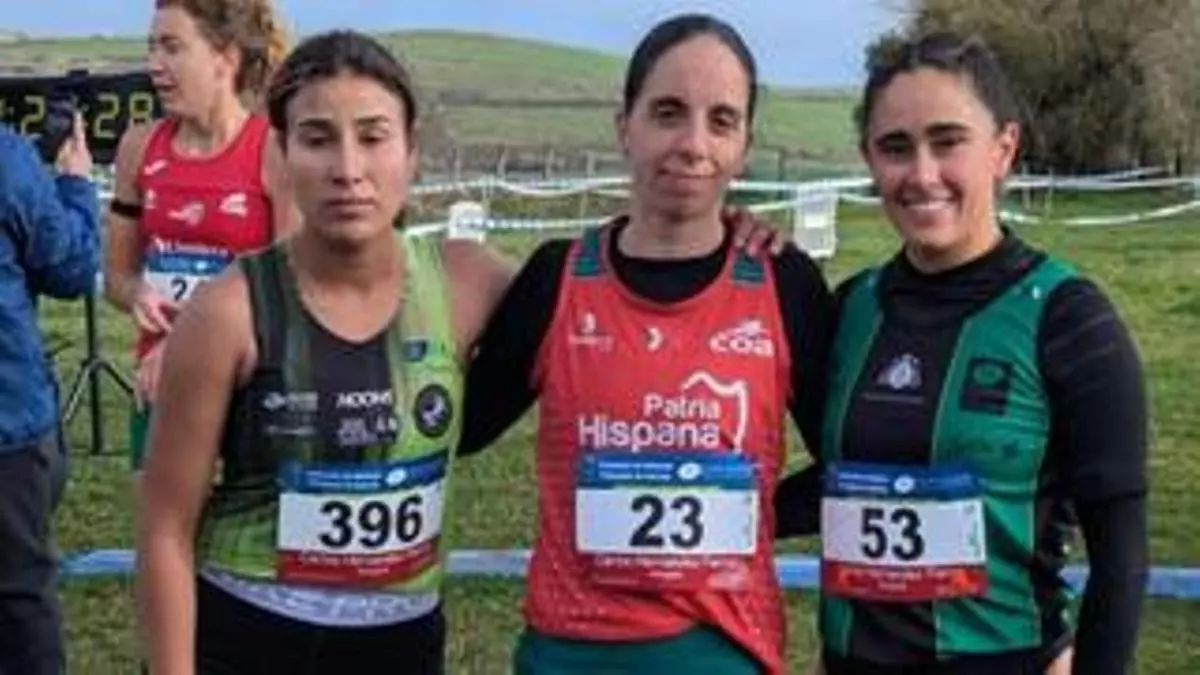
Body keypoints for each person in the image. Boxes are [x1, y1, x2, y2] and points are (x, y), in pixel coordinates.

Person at [456, 13, 834, 675]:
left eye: (721, 120)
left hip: (723, 653)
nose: (693, 143)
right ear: (623, 126)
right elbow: (454, 431)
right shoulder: (557, 278)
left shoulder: (784, 282)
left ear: (744, 144)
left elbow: (853, 458)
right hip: (569, 654)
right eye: (667, 113)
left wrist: (746, 513)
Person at [135, 30, 516, 675]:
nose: (348, 169)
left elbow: (607, 293)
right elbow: (165, 529)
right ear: (282, 154)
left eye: (372, 137)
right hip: (248, 635)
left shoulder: (469, 281)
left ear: (410, 150)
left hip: (401, 642)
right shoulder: (228, 311)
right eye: (317, 139)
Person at [774, 31, 1148, 675]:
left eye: (947, 142)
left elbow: (1122, 562)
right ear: (869, 159)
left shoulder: (1067, 318)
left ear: (1003, 149)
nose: (923, 175)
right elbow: (843, 483)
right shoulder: (852, 309)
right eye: (896, 148)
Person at [103, 0, 295, 478]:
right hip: (160, 382)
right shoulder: (138, 147)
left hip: (250, 388)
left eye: (172, 48)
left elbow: (292, 287)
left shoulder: (272, 150)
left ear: (224, 58)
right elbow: (116, 278)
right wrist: (137, 294)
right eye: (151, 48)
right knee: (161, 521)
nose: (154, 65)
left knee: (241, 524)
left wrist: (192, 342)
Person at [0, 115, 98, 673]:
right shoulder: (8, 160)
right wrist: (76, 186)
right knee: (19, 596)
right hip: (8, 426)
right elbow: (71, 269)